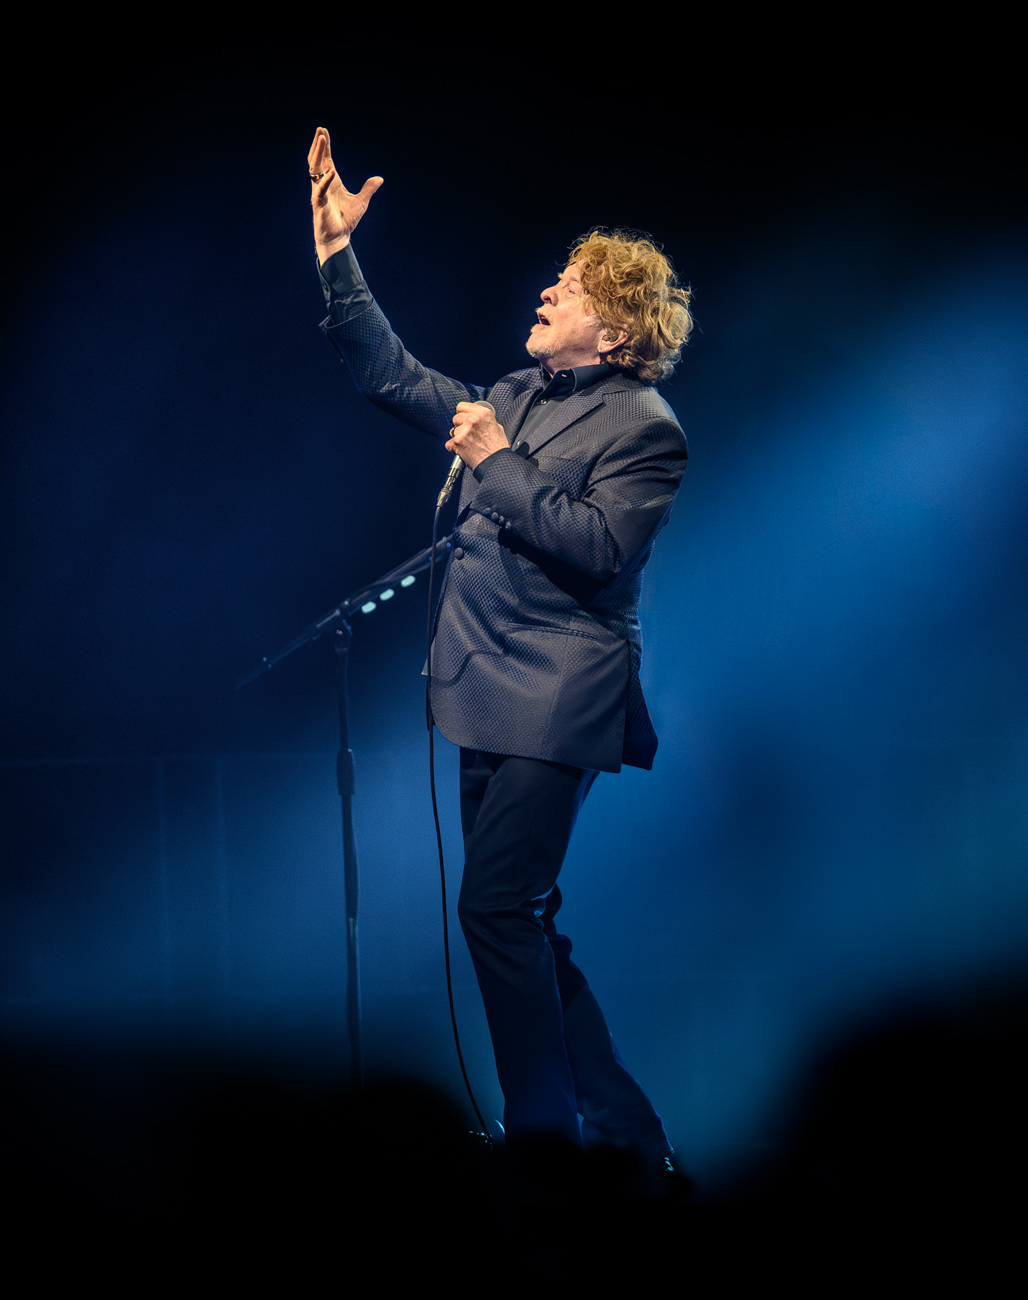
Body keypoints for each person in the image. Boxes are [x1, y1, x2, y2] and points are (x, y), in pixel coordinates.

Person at [306, 128, 693, 1191]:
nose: (548, 289)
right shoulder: (518, 392)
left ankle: (544, 1138)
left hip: (561, 692)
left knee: (493, 909)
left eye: (572, 286)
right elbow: (390, 375)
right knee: (520, 920)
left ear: (616, 327)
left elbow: (601, 546)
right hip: (483, 687)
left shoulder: (647, 428)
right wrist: (337, 253)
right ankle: (625, 1134)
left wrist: (498, 462)